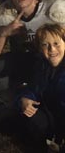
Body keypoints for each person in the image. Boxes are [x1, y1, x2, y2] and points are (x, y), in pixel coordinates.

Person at [0, 0, 65, 104]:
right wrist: (4, 32)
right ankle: (9, 101)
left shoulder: (55, 7)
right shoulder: (6, 12)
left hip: (55, 59)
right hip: (29, 58)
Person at [16, 23, 65, 152]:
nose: (51, 49)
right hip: (51, 116)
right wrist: (24, 99)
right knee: (32, 117)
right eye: (45, 44)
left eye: (56, 43)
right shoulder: (41, 66)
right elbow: (33, 88)